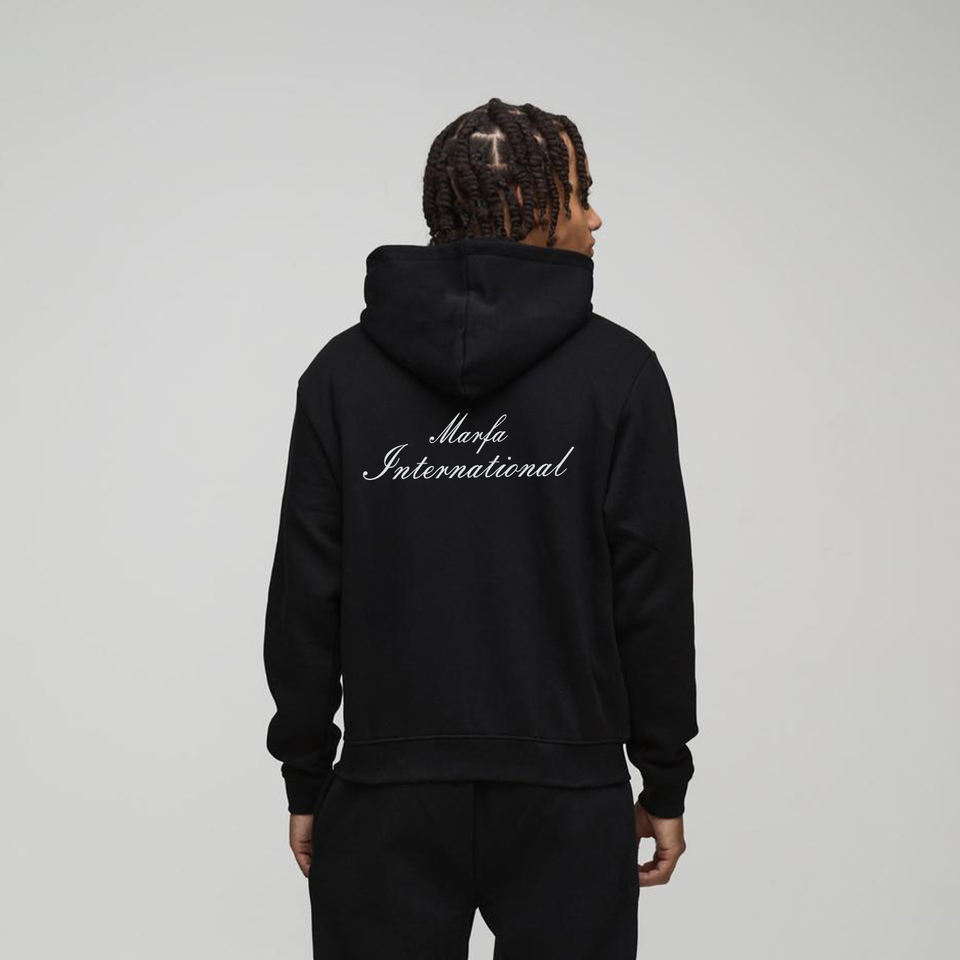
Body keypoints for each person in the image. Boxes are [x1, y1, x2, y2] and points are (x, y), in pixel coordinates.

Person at [263, 96, 698, 959]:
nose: (596, 217)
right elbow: (650, 591)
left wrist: (307, 774)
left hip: (384, 793)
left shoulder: (342, 375)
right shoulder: (620, 372)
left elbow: (307, 592)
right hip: (567, 794)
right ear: (531, 205)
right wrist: (664, 776)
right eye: (581, 194)